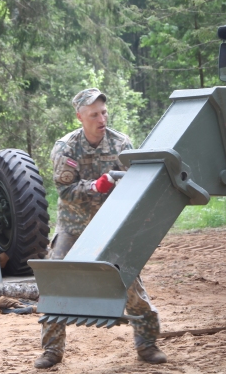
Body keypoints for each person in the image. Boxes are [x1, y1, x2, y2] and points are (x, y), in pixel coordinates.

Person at [34, 88, 166, 369]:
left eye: (104, 112)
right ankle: (52, 350)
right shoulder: (66, 147)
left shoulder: (121, 143)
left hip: (112, 225)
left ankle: (147, 343)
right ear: (80, 116)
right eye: (94, 114)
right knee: (57, 283)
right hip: (74, 226)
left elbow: (137, 184)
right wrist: (96, 186)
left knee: (128, 281)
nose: (101, 118)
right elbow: (66, 190)